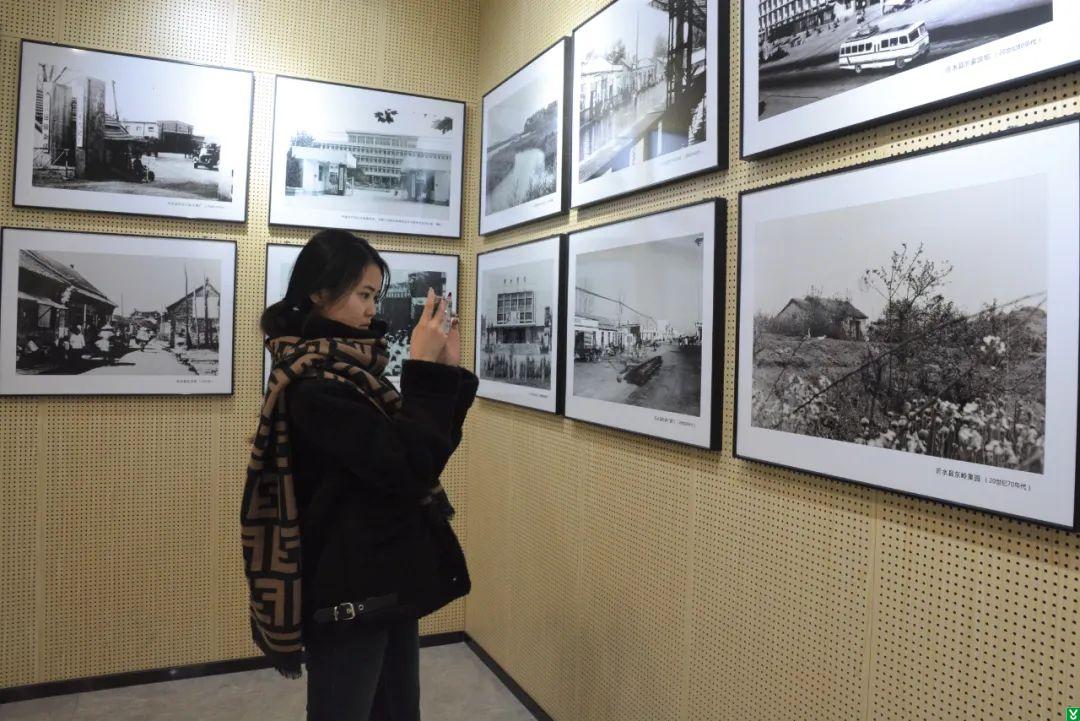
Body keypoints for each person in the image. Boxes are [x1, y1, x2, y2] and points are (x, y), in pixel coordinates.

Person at [242, 229, 475, 721]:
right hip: (348, 590)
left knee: (397, 711)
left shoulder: (353, 374)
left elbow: (422, 458)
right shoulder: (313, 385)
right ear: (320, 293)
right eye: (363, 294)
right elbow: (405, 465)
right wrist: (423, 370)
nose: (372, 309)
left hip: (387, 573)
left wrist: (445, 371)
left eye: (375, 296)